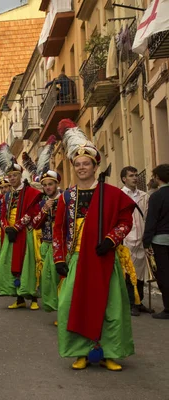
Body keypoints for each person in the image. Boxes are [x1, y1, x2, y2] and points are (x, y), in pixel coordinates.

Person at [54, 119, 135, 371]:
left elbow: (125, 220)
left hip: (103, 258)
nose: (81, 167)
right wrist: (59, 259)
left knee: (111, 307)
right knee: (70, 305)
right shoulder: (66, 197)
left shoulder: (110, 194)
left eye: (86, 163)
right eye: (77, 164)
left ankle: (109, 351)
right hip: (77, 259)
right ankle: (81, 351)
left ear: (94, 165)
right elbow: (58, 229)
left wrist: (111, 239)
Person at [0, 143, 43, 309]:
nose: (12, 178)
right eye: (10, 176)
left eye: (15, 176)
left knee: (28, 264)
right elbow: (2, 215)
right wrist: (7, 226)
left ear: (20, 176)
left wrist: (17, 227)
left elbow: (32, 211)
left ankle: (33, 298)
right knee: (9, 265)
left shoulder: (30, 192)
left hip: (25, 233)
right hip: (11, 234)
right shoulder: (7, 196)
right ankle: (19, 299)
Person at [120, 166, 151, 316]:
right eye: (131, 175)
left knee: (141, 273)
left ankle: (140, 302)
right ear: (124, 179)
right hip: (127, 239)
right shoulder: (119, 195)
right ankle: (131, 302)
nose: (135, 178)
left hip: (141, 238)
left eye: (136, 175)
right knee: (129, 273)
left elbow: (147, 216)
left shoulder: (144, 196)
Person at [31, 170, 62, 315]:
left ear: (57, 184)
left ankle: (63, 310)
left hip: (61, 246)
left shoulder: (65, 199)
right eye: (45, 185)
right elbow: (35, 224)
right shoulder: (42, 202)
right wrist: (44, 209)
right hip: (46, 244)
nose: (48, 187)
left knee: (61, 279)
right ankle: (53, 306)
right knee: (48, 279)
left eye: (50, 184)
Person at [143, 163, 169, 320]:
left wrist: (146, 242)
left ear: (158, 178)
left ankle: (168, 308)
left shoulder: (156, 197)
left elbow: (151, 221)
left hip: (160, 240)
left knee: (164, 274)